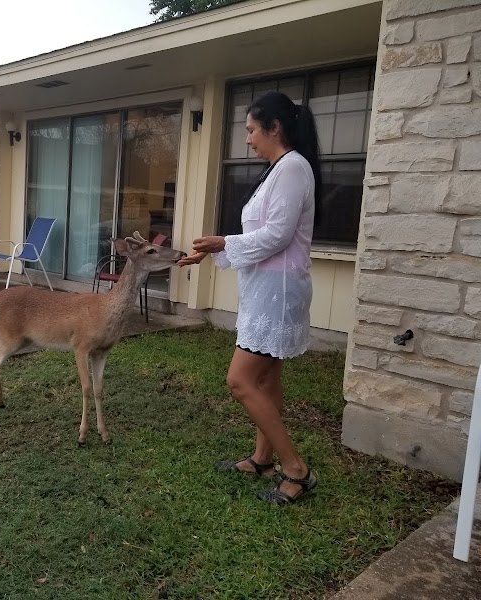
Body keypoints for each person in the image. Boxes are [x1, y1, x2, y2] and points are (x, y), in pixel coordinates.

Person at [177, 91, 322, 505]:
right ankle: (262, 459)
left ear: (275, 128)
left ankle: (296, 470)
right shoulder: (278, 170)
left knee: (240, 381)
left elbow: (277, 235)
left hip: (277, 293)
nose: (247, 139)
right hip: (266, 289)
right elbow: (263, 235)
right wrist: (213, 251)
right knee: (265, 379)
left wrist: (224, 242)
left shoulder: (292, 168)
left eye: (252, 130)